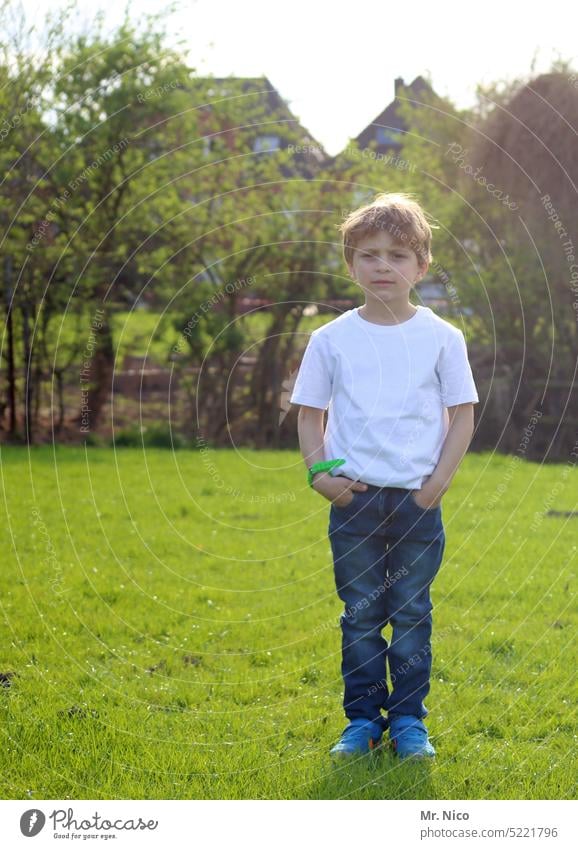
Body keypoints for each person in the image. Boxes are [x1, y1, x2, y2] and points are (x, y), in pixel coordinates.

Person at [289, 191, 479, 760]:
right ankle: (363, 722)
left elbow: (463, 414)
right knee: (361, 617)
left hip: (417, 503)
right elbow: (309, 414)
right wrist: (321, 476)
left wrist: (435, 486)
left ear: (421, 266)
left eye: (397, 255)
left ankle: (409, 723)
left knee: (413, 613)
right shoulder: (330, 339)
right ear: (351, 265)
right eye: (368, 255)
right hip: (355, 504)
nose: (382, 266)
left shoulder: (443, 338)